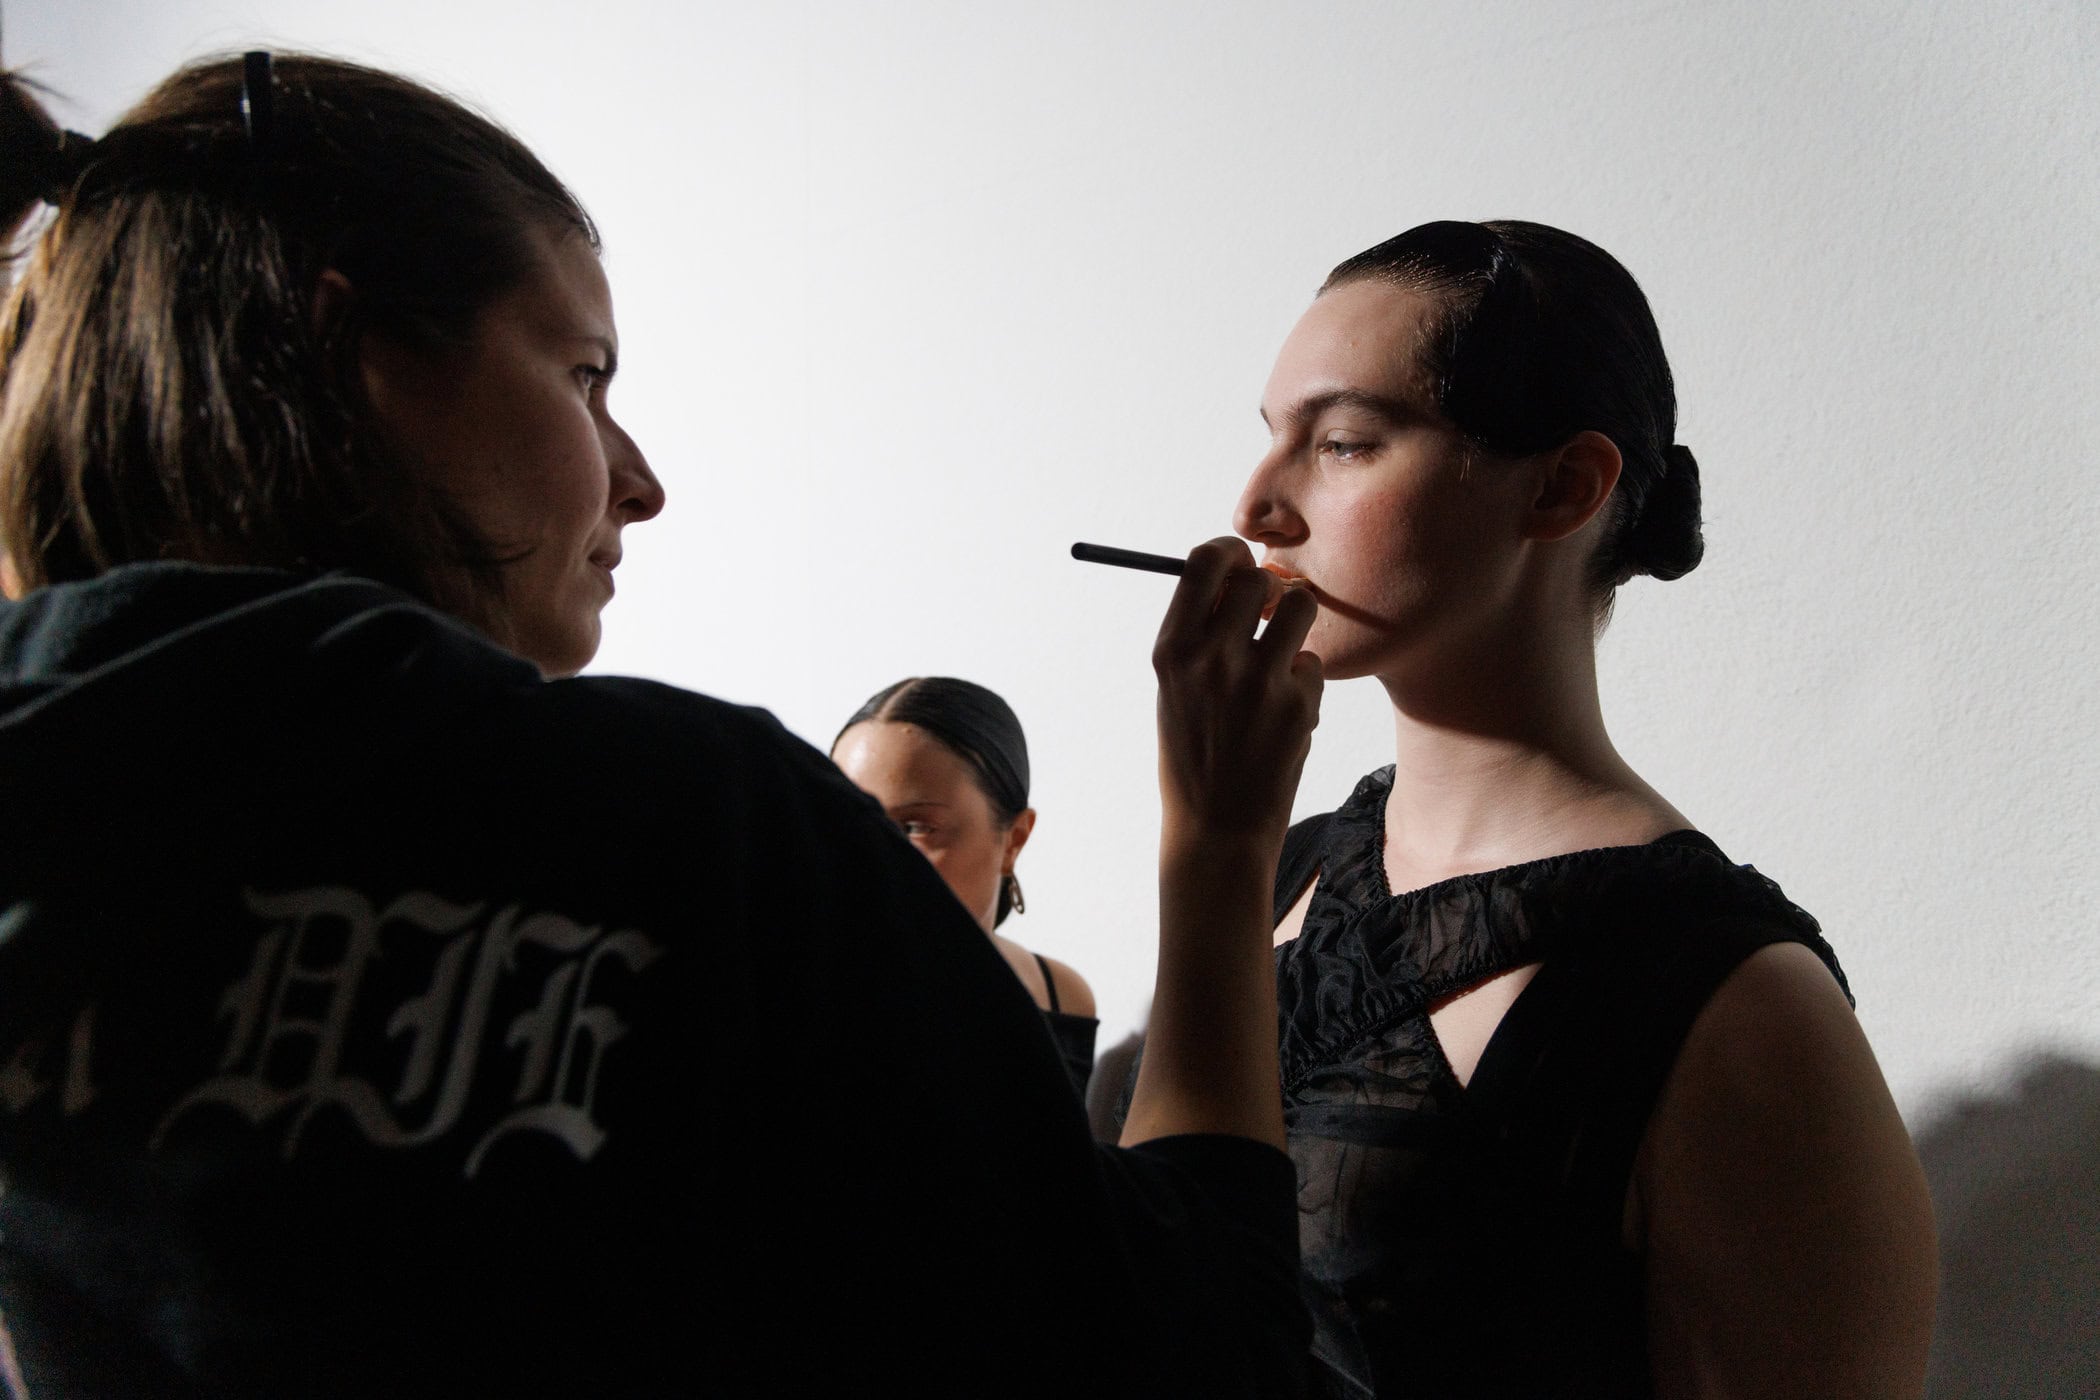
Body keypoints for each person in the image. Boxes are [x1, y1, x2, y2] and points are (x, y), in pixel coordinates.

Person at [0, 52, 1324, 1397]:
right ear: (346, 352)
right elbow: (1197, 1360)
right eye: (585, 378)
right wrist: (1219, 853)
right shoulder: (697, 827)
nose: (640, 483)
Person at [1233, 221, 1938, 1396]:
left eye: (1346, 442)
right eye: (1271, 440)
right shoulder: (1280, 866)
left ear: (1565, 485)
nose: (1257, 503)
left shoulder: (1726, 1001)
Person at [833, 677, 1099, 1098]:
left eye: (915, 827)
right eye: (850, 822)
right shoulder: (805, 984)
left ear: (1014, 839)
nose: (872, 854)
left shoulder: (1060, 994)